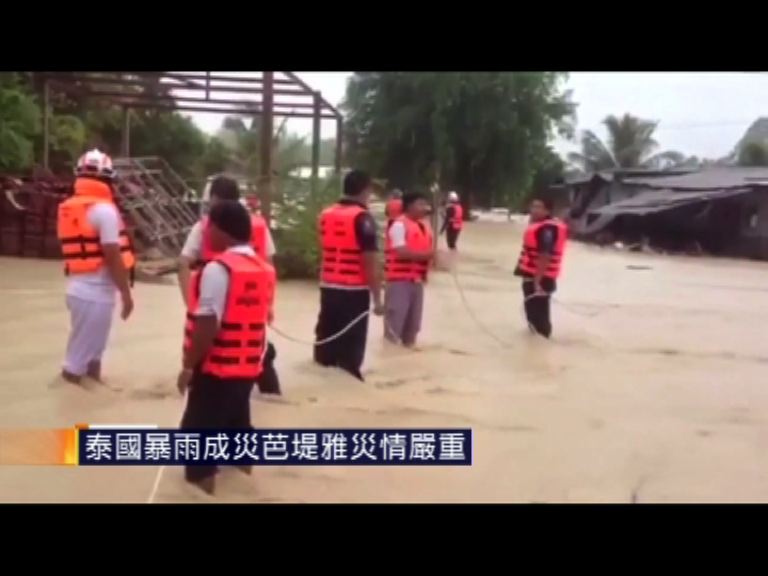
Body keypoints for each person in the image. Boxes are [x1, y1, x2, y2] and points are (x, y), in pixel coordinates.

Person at [177, 200, 276, 495]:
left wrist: (187, 366)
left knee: (197, 444)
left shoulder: (218, 270)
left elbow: (207, 326)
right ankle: (246, 488)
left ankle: (203, 490)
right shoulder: (263, 269)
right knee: (238, 433)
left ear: (221, 230)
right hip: (246, 368)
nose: (206, 233)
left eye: (209, 227)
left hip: (216, 368)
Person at [178, 176, 281, 395]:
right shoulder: (259, 226)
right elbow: (270, 267)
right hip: (252, 305)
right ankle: (270, 395)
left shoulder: (206, 227)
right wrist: (267, 304)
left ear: (213, 198)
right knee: (255, 349)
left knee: (217, 356)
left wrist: (192, 302)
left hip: (216, 308)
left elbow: (183, 264)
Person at [57, 149, 135, 385]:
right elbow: (112, 255)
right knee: (74, 367)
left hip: (80, 289)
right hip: (94, 294)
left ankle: (89, 409)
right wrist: (126, 294)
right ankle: (73, 411)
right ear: (108, 177)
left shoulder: (70, 206)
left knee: (92, 357)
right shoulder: (104, 210)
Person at [315, 169, 384, 380]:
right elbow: (369, 262)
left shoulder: (325, 214)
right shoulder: (363, 219)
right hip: (353, 291)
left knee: (326, 341)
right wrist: (377, 299)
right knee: (350, 352)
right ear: (365, 190)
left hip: (328, 286)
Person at [384, 192, 434, 347]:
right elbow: (401, 251)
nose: (424, 208)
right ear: (409, 206)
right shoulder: (398, 225)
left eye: (425, 204)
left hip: (417, 282)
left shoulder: (423, 226)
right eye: (420, 204)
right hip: (399, 282)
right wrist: (429, 255)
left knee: (412, 329)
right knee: (394, 327)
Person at [514, 196, 568, 339]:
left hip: (540, 279)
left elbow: (545, 255)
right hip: (535, 276)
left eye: (539, 207)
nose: (534, 210)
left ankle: (543, 344)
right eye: (533, 206)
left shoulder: (547, 229)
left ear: (547, 210)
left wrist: (537, 281)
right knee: (532, 313)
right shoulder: (541, 226)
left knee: (539, 316)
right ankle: (536, 348)